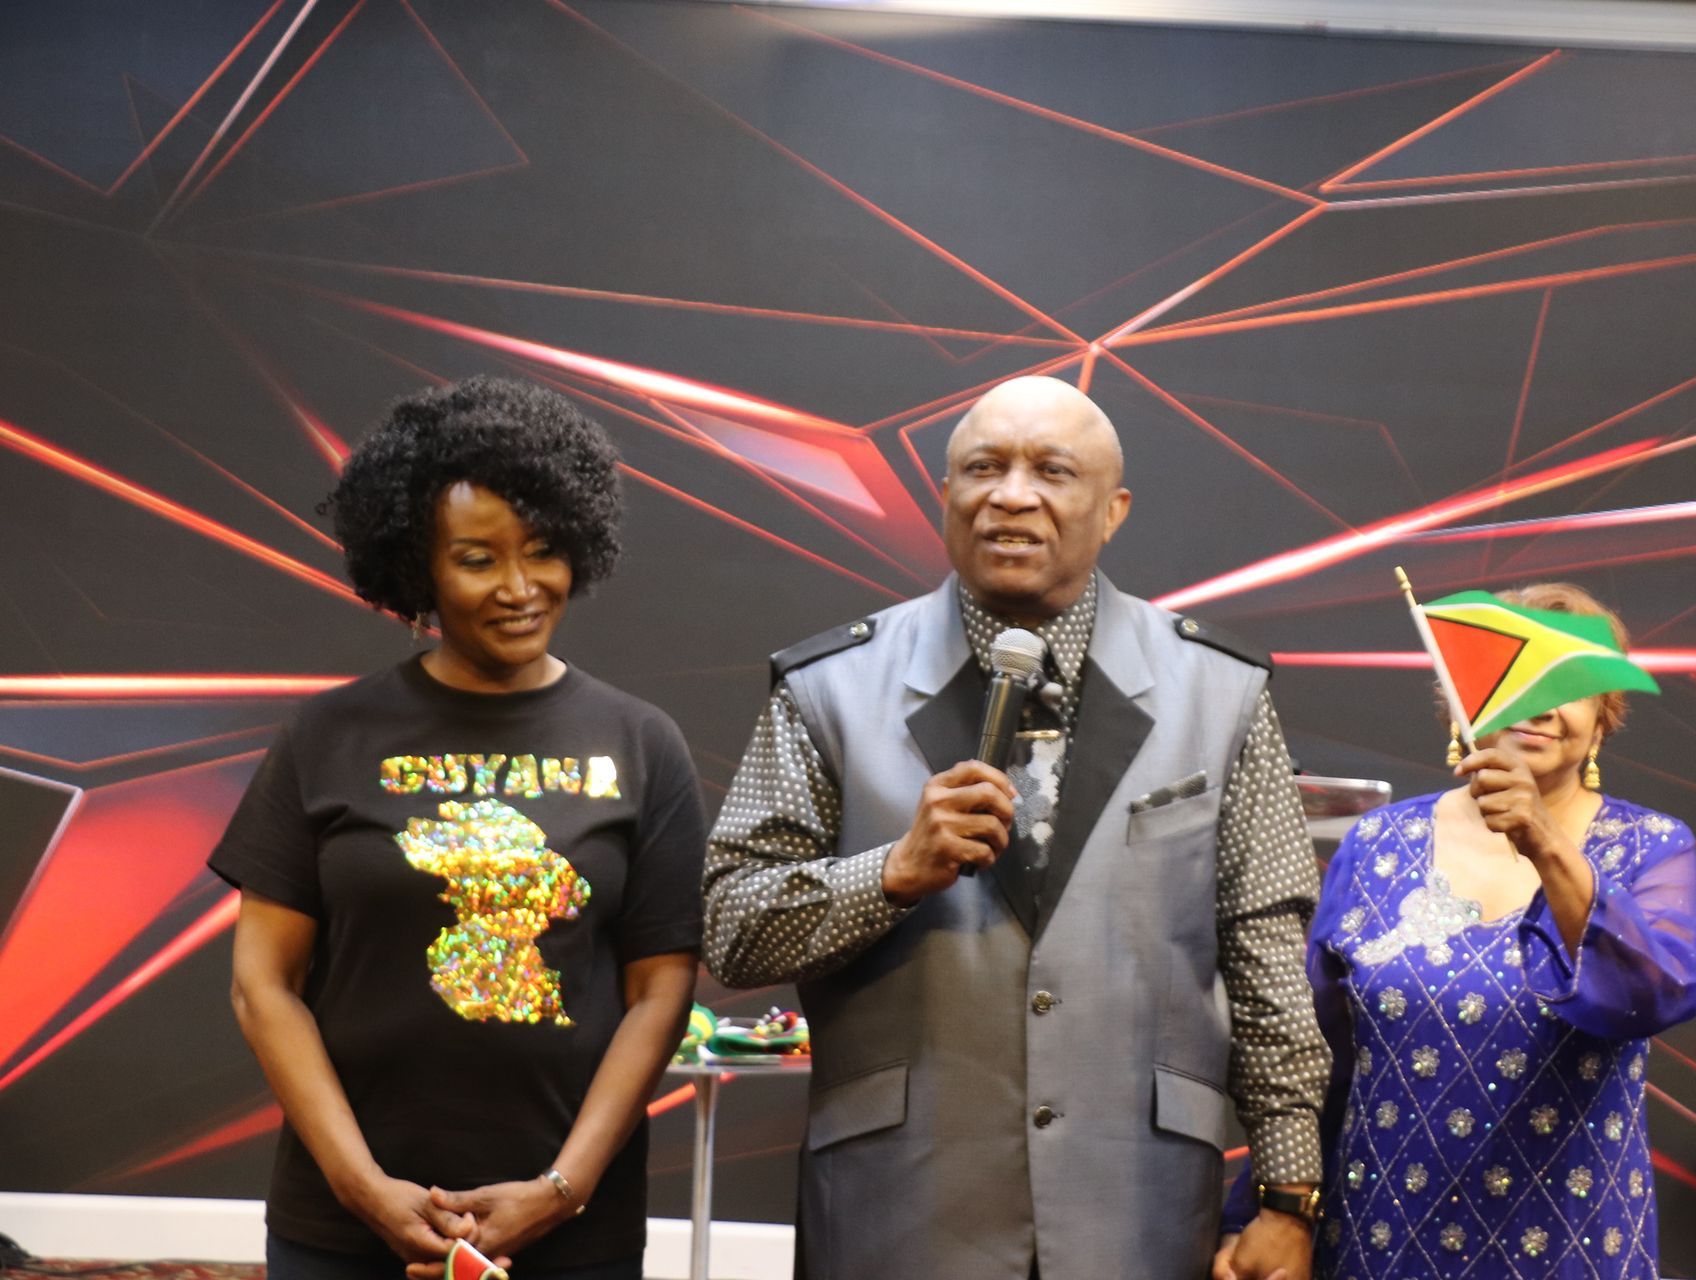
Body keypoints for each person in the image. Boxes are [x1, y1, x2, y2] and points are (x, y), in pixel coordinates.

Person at [703, 375, 1330, 1280]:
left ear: (1111, 510)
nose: (1012, 494)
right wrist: (888, 872)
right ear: (945, 495)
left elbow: (1266, 951)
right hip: (900, 1211)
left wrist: (1286, 1193)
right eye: (983, 467)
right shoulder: (828, 689)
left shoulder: (1221, 693)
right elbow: (732, 928)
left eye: (1052, 470)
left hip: (1140, 1212)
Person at [210, 377, 705, 1279]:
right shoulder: (328, 736)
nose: (521, 588)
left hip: (569, 1234)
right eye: (478, 559)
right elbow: (262, 986)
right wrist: (363, 1187)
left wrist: (562, 1188)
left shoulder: (642, 743)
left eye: (544, 551)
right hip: (344, 1225)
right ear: (416, 571)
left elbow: (659, 995)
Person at [1215, 582, 1696, 1279]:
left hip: (1567, 1245)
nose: (1538, 703)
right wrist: (1270, 1211)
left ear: (1602, 722)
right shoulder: (1379, 841)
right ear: (1461, 704)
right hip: (1379, 1239)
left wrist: (1543, 839)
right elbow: (1316, 1060)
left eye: (1566, 681)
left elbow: (1651, 999)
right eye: (1513, 677)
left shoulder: (1650, 846)